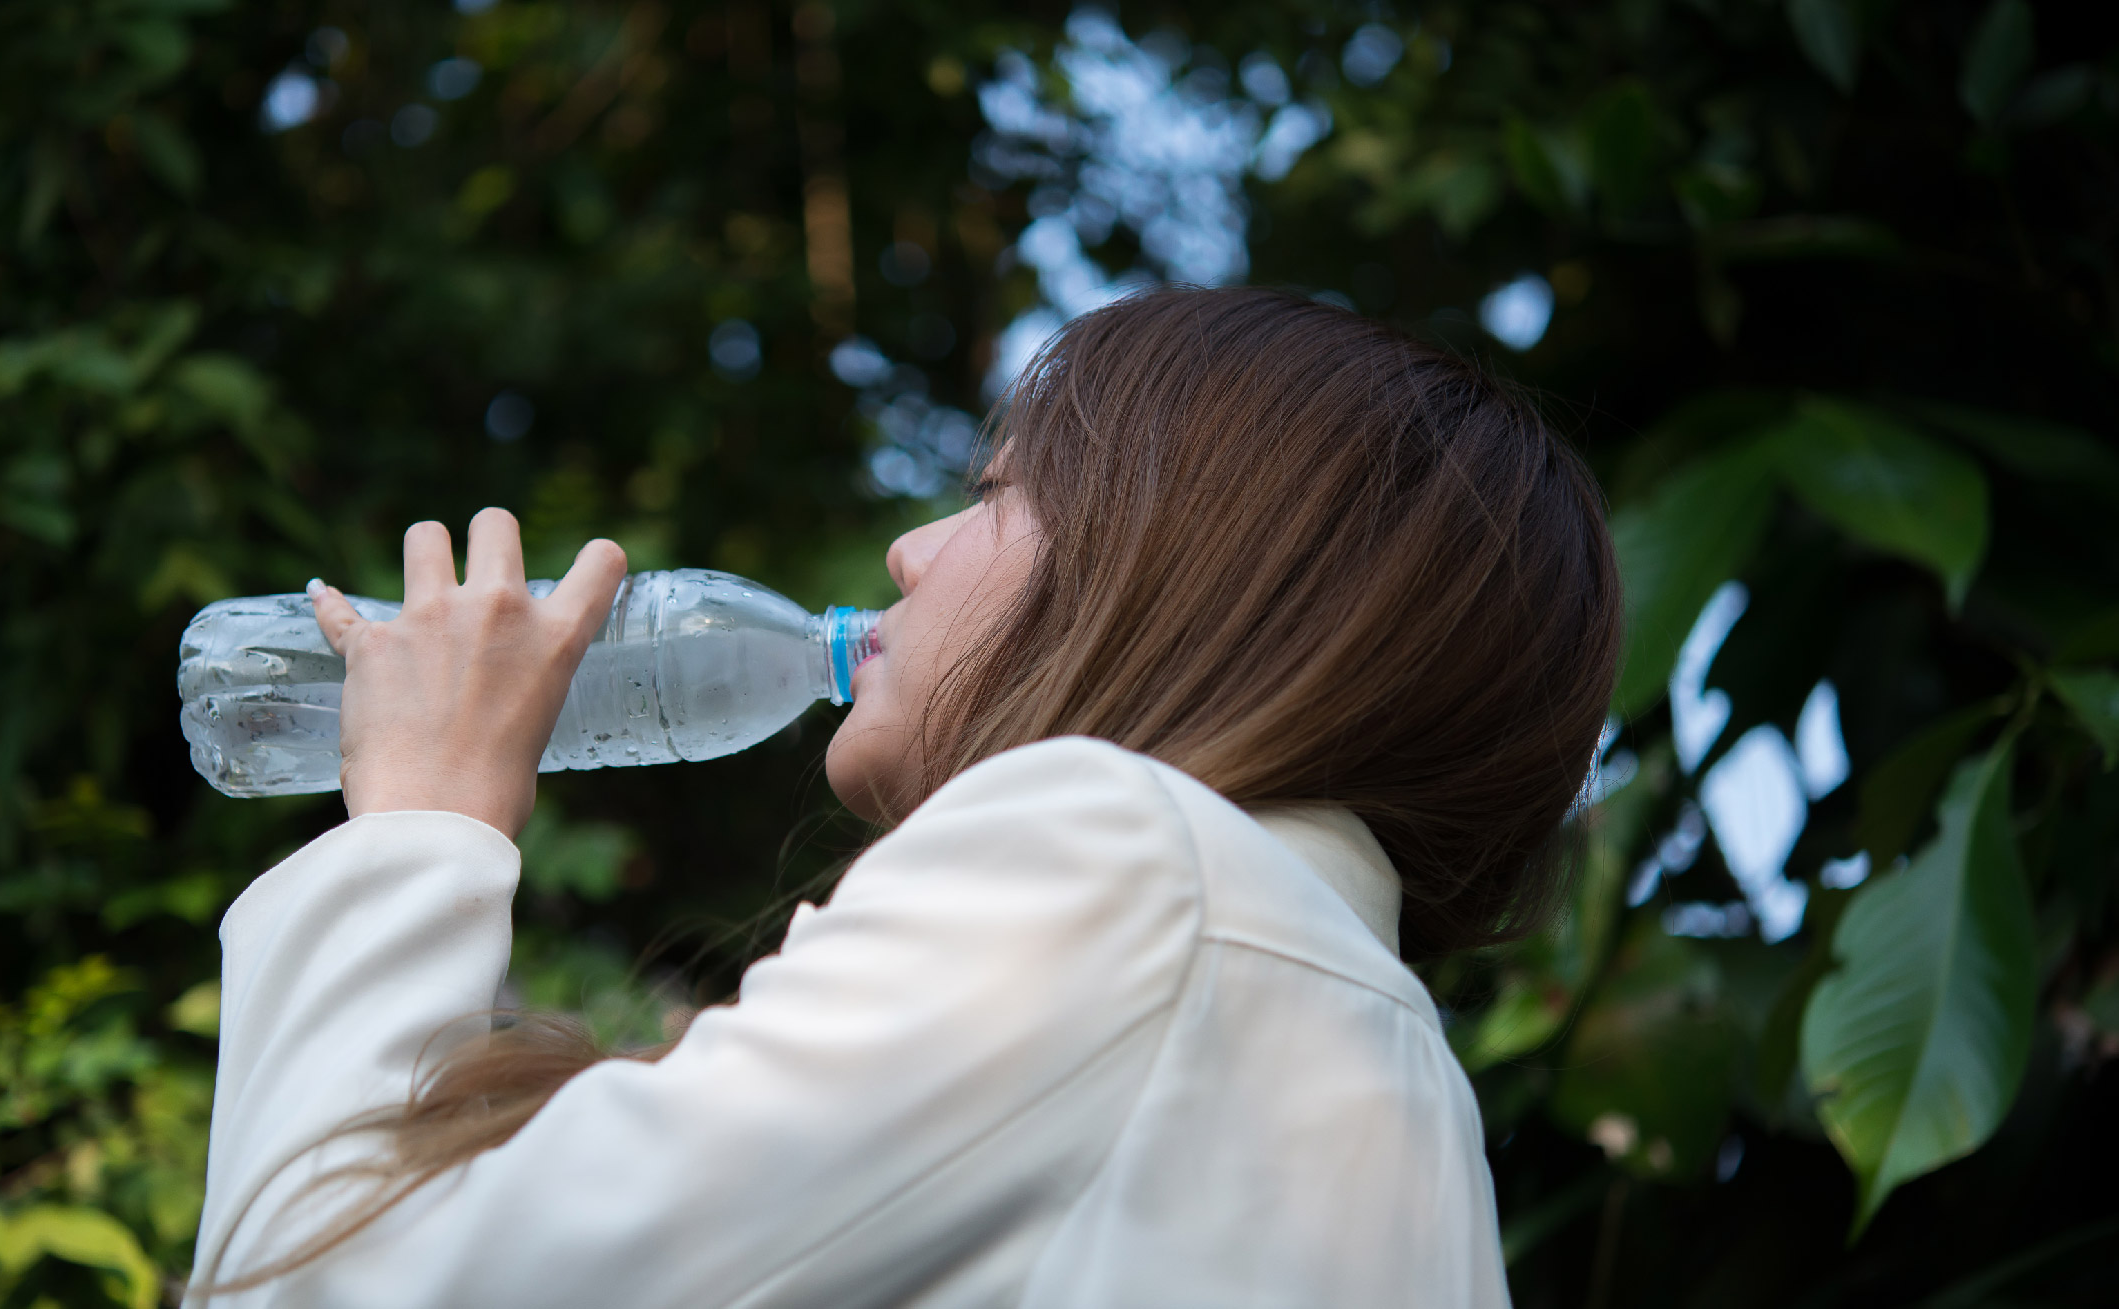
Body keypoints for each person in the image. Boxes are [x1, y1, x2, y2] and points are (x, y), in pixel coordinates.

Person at [187, 287, 1621, 1306]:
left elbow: (321, 1286)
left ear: (1189, 568)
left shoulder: (1121, 861)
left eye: (999, 492)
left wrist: (416, 828)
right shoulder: (1392, 1070)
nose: (909, 549)